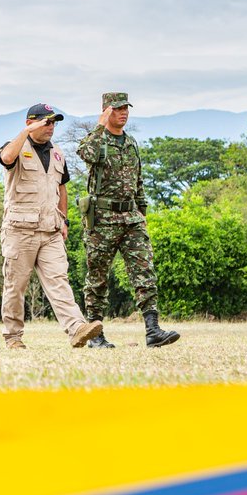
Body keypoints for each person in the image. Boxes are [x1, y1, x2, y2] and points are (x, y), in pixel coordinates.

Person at [78, 92, 180, 348]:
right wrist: (99, 126)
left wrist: (142, 213)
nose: (123, 113)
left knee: (144, 272)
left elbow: (138, 180)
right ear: (105, 112)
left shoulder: (131, 142)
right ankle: (95, 334)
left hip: (131, 217)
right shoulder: (97, 141)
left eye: (126, 108)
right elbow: (84, 152)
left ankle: (153, 330)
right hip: (102, 219)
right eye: (117, 109)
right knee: (98, 278)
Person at [0, 103, 102, 349]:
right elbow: (6, 158)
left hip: (50, 230)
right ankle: (13, 337)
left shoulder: (58, 153)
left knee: (59, 280)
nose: (51, 127)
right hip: (19, 230)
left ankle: (77, 328)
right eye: (46, 122)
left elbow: (61, 188)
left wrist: (63, 219)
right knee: (15, 285)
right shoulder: (15, 146)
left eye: (53, 123)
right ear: (30, 123)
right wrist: (26, 132)